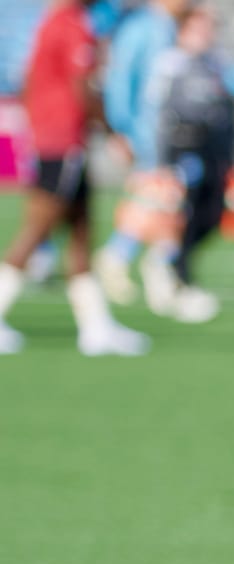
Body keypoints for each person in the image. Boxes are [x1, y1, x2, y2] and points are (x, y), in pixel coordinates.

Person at [95, 0, 234, 317]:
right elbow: (122, 81)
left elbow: (220, 69)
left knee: (168, 204)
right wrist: (121, 129)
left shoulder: (179, 29)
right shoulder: (141, 29)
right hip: (152, 134)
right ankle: (128, 261)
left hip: (179, 139)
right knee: (160, 201)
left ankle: (132, 261)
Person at [0, 0, 149, 356]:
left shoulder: (54, 22)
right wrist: (113, 132)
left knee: (81, 230)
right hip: (62, 140)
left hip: (58, 138)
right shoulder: (71, 24)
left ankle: (95, 326)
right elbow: (81, 86)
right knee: (39, 229)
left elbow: (30, 82)